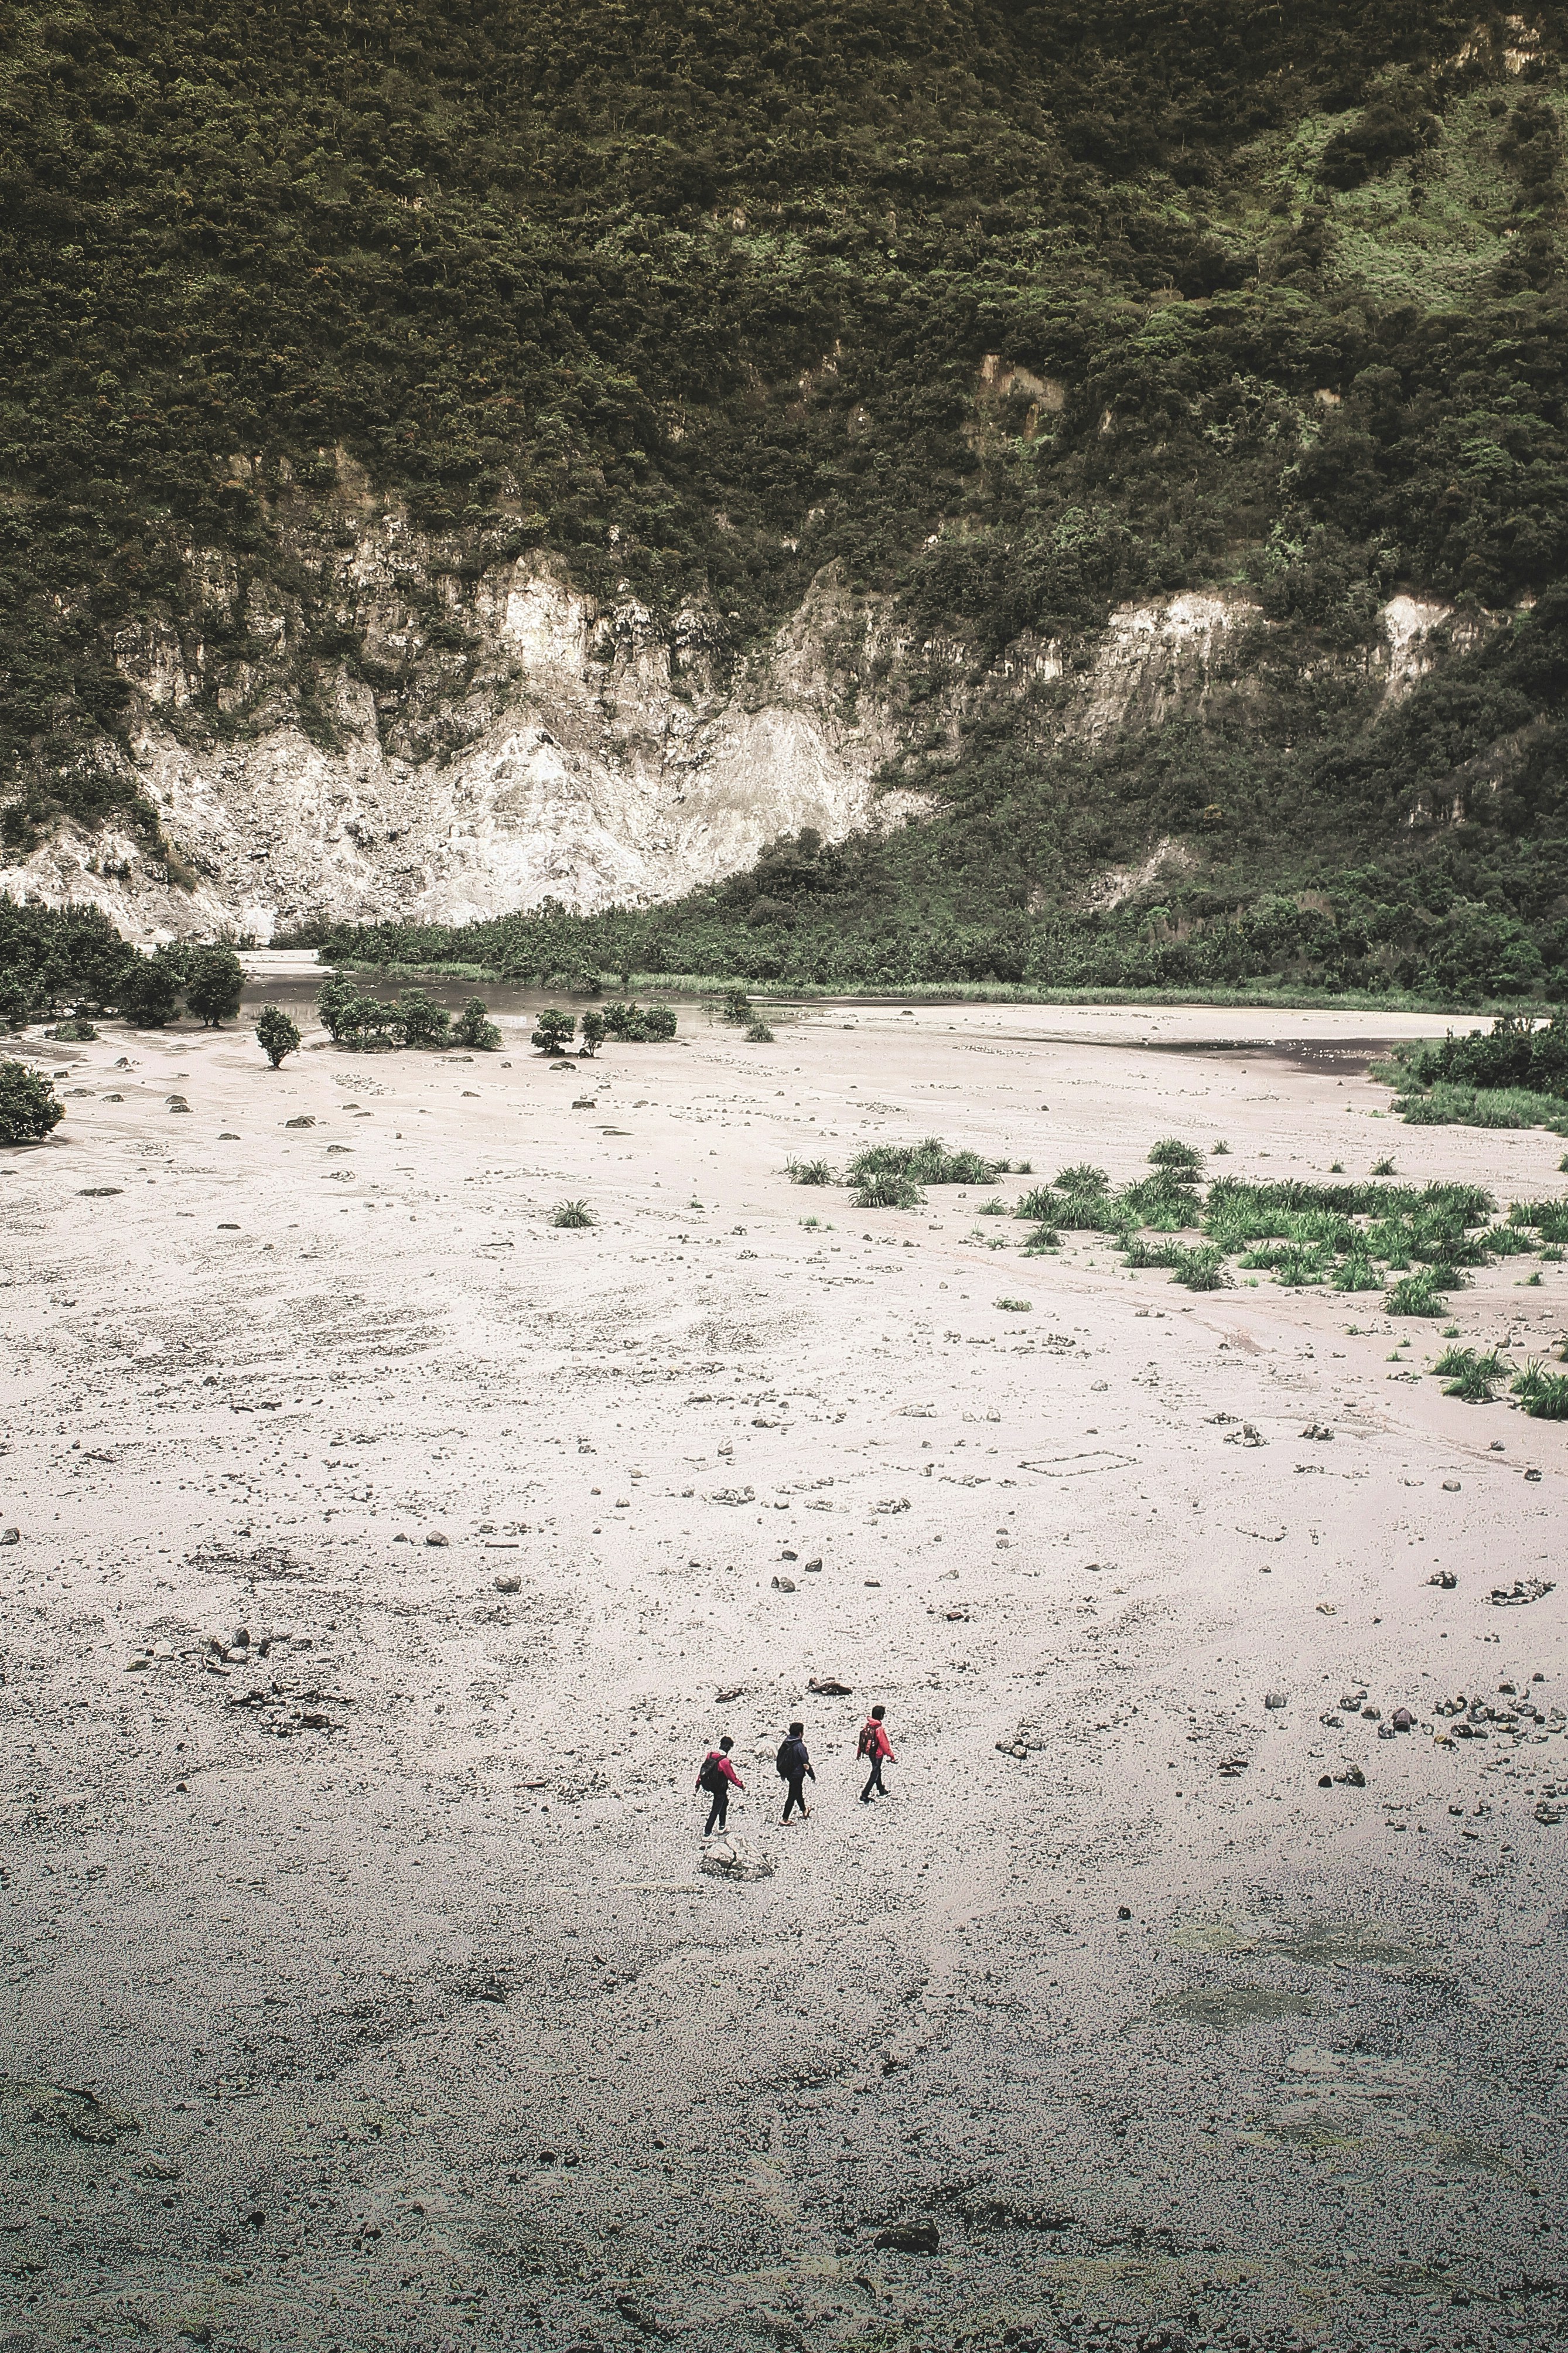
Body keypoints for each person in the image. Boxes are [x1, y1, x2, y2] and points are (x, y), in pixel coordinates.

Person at [696, 1735, 743, 1836]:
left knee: (725, 1803)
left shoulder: (710, 1755)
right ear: (729, 1748)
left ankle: (722, 1826)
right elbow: (731, 1777)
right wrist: (741, 1785)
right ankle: (707, 1833)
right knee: (715, 1809)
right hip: (720, 1788)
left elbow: (704, 1769)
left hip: (710, 1784)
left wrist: (698, 1782)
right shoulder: (724, 1762)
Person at [776, 1721, 815, 1823]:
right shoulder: (799, 1746)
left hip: (788, 1773)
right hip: (797, 1774)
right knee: (792, 1795)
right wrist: (812, 1774)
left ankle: (804, 1810)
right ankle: (785, 1818)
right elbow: (805, 1763)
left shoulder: (786, 1742)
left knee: (798, 1791)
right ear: (800, 1733)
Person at [858, 1704, 894, 1803]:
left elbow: (863, 1739)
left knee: (877, 1770)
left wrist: (859, 1751)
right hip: (878, 1754)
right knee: (875, 1773)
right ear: (881, 1715)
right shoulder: (879, 1729)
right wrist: (891, 1755)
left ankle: (881, 1789)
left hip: (870, 1753)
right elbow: (884, 1744)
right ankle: (865, 1795)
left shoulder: (868, 1725)